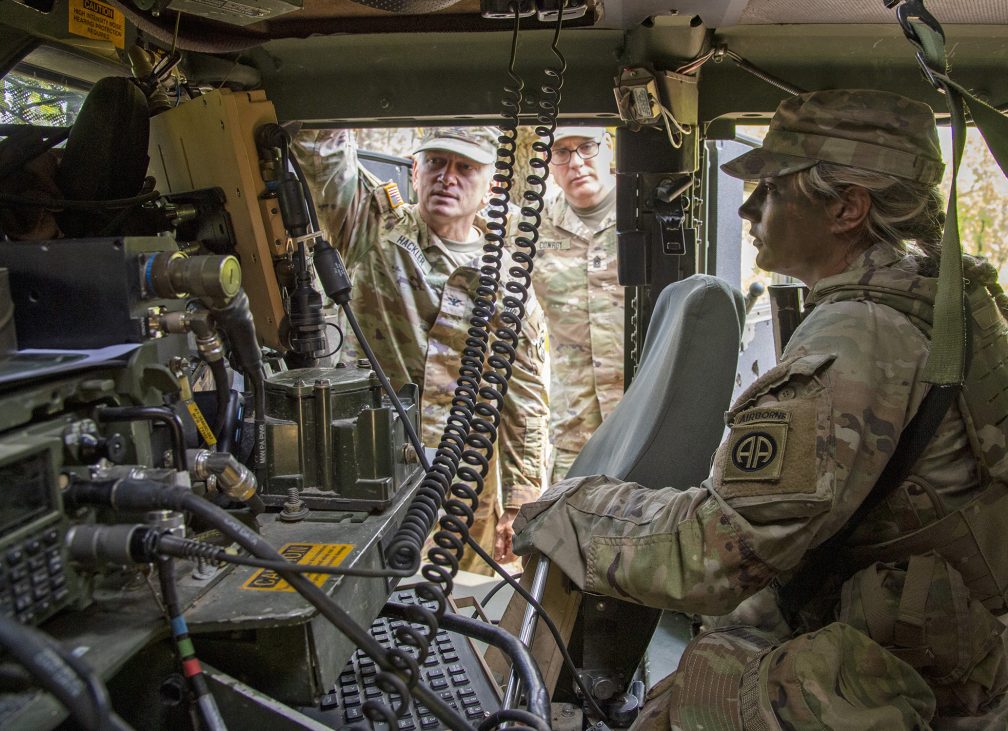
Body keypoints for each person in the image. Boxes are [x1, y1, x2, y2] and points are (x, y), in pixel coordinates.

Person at [513, 89, 1008, 728]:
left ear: (847, 208)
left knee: (694, 695)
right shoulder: (941, 302)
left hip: (920, 673)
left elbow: (715, 553)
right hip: (940, 636)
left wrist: (569, 510)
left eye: (773, 189)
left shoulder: (860, 338)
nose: (749, 208)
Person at [294, 127, 549, 574]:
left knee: (458, 601)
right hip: (370, 466)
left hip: (466, 483)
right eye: (436, 163)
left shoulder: (509, 279)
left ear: (490, 185)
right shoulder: (371, 229)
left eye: (465, 167)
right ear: (416, 171)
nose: (447, 177)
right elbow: (325, 161)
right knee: (367, 591)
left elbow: (524, 399)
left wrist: (522, 502)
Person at [532, 126, 625, 482]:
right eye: (562, 152)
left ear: (608, 148)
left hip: (645, 418)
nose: (576, 162)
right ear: (549, 163)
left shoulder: (644, 216)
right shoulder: (529, 229)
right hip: (575, 432)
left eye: (586, 147)